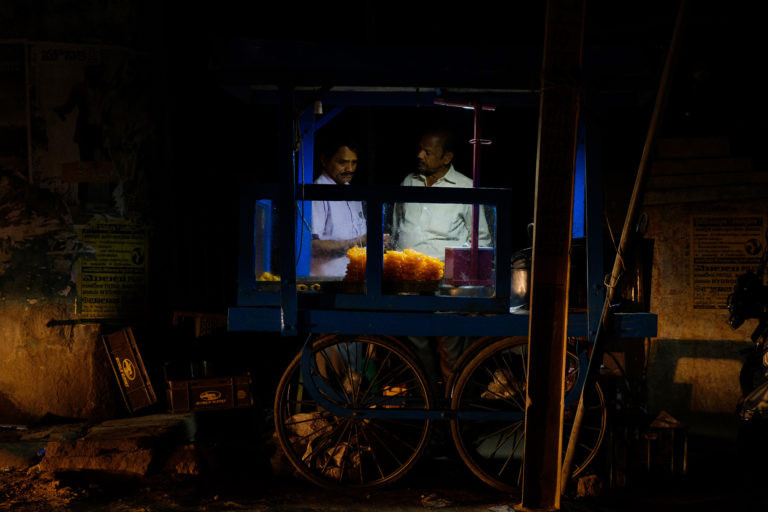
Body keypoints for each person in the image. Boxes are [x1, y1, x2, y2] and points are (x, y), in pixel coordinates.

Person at [391, 127, 492, 396]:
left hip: (448, 281)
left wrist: (470, 286)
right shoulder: (409, 182)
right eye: (420, 149)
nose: (420, 155)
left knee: (450, 344)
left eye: (428, 152)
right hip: (410, 279)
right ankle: (427, 399)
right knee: (415, 340)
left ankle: (453, 403)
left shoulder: (466, 187)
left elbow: (481, 239)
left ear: (447, 157)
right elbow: (397, 227)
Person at [310, 139, 367, 277]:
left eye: (354, 163)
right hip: (326, 280)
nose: (350, 169)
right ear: (324, 161)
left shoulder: (352, 192)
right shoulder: (316, 193)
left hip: (353, 277)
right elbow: (313, 245)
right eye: (343, 162)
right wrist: (358, 242)